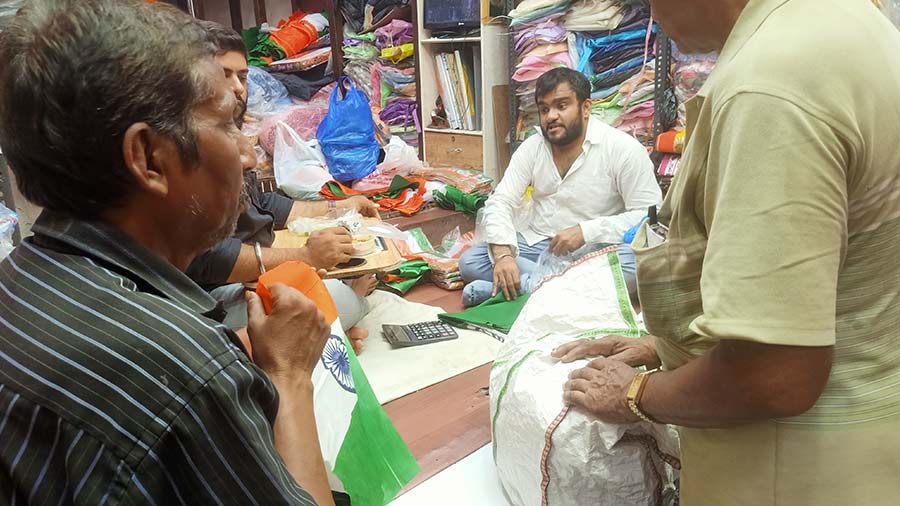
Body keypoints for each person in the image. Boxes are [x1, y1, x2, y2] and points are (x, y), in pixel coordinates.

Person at [551, 0, 900, 505]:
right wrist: (668, 350)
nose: (649, 11)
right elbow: (842, 278)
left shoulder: (771, 83)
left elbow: (775, 375)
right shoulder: (854, 24)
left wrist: (634, 393)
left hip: (792, 474)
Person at [0, 1, 336, 504]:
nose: (247, 154)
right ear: (149, 157)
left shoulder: (16, 279)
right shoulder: (186, 371)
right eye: (227, 124)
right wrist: (287, 377)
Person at [188, 21, 378, 352]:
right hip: (210, 298)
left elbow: (262, 203)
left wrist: (339, 207)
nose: (237, 88)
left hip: (249, 280)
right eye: (224, 75)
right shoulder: (190, 144)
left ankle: (322, 332)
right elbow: (208, 258)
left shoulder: (230, 132)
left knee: (341, 271)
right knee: (339, 298)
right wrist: (303, 257)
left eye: (242, 76)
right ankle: (332, 327)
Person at [458, 68, 661, 307]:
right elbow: (500, 201)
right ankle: (560, 288)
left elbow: (649, 216)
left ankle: (525, 286)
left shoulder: (623, 149)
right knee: (471, 262)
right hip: (540, 245)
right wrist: (503, 255)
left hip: (596, 251)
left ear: (586, 108)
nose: (551, 116)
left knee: (640, 267)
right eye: (544, 109)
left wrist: (586, 231)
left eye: (561, 106)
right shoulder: (532, 148)